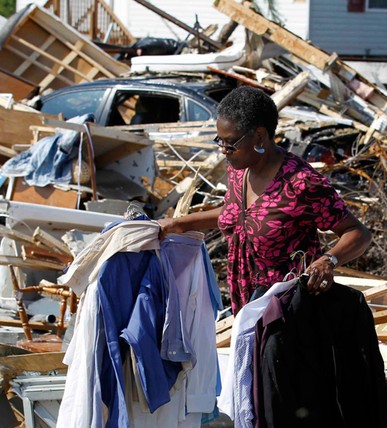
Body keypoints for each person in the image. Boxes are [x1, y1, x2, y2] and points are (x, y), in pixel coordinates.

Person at [157, 85, 372, 313]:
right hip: (246, 308)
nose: (223, 150)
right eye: (219, 140)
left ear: (259, 136)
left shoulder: (301, 183)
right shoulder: (239, 170)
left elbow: (358, 233)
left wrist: (329, 261)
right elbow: (236, 214)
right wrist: (177, 224)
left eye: (230, 143)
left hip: (289, 313)